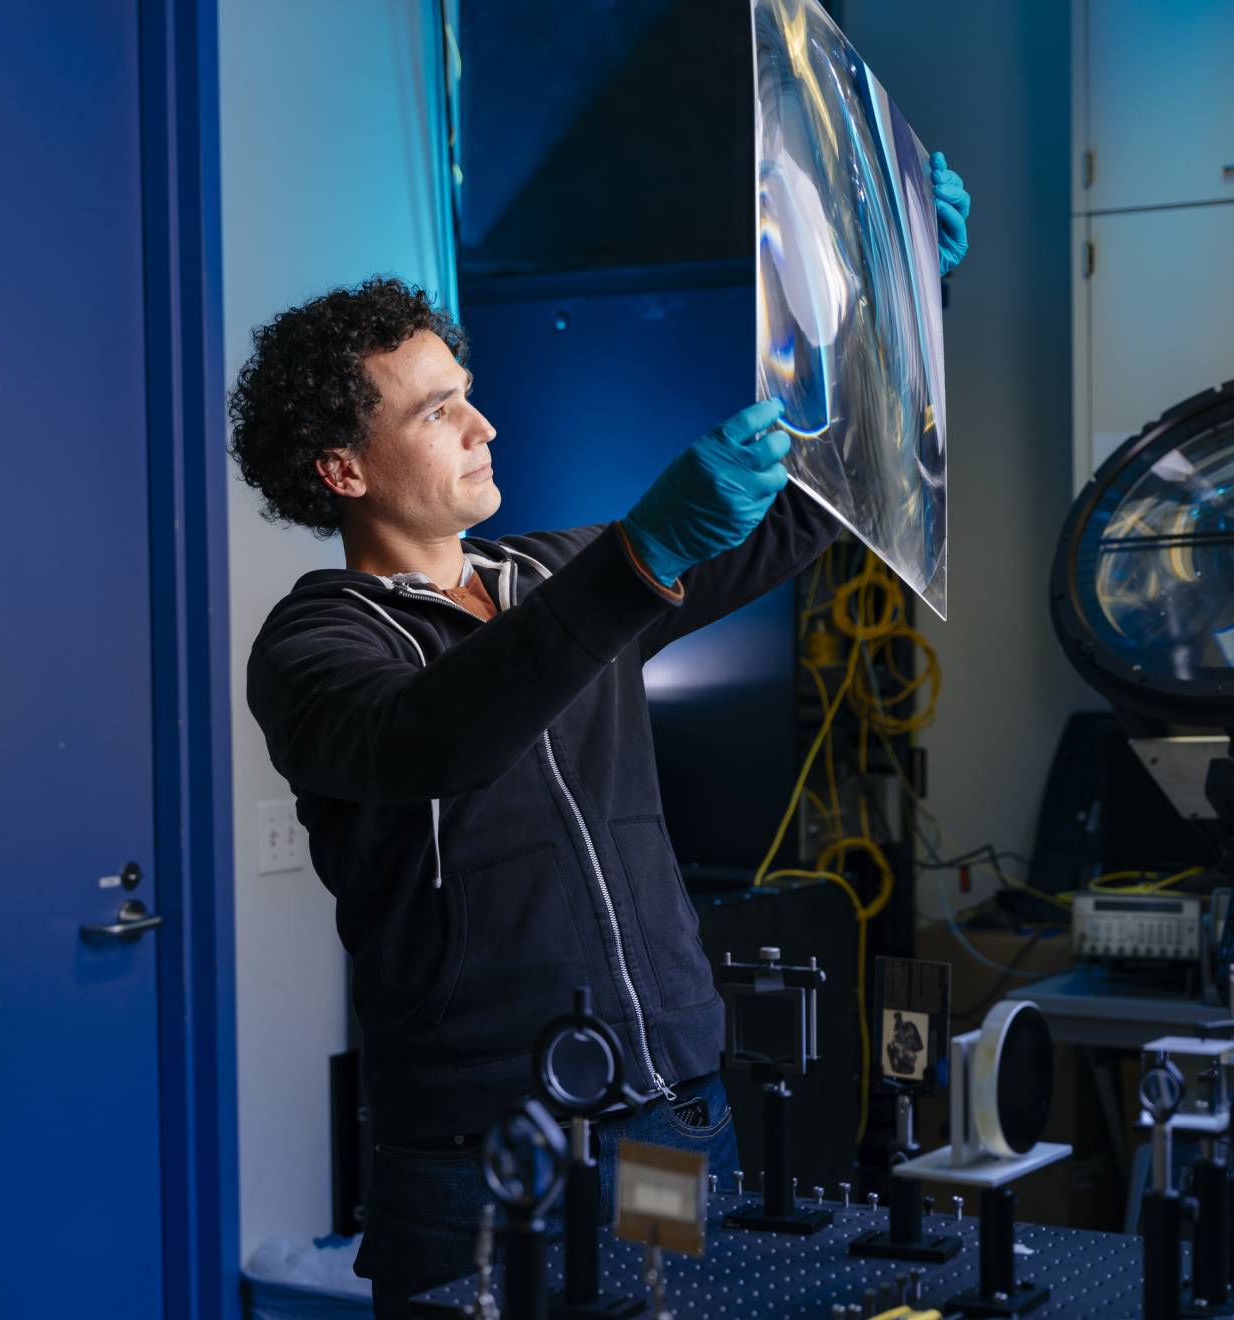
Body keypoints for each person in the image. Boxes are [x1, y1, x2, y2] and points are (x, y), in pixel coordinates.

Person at [230, 156, 970, 1319]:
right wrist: (637, 564)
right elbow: (431, 738)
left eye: (465, 392)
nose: (481, 423)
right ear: (342, 469)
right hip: (482, 1153)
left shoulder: (550, 575)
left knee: (663, 1308)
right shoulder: (319, 643)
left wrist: (899, 314)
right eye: (436, 411)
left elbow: (822, 502)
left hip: (665, 1114)